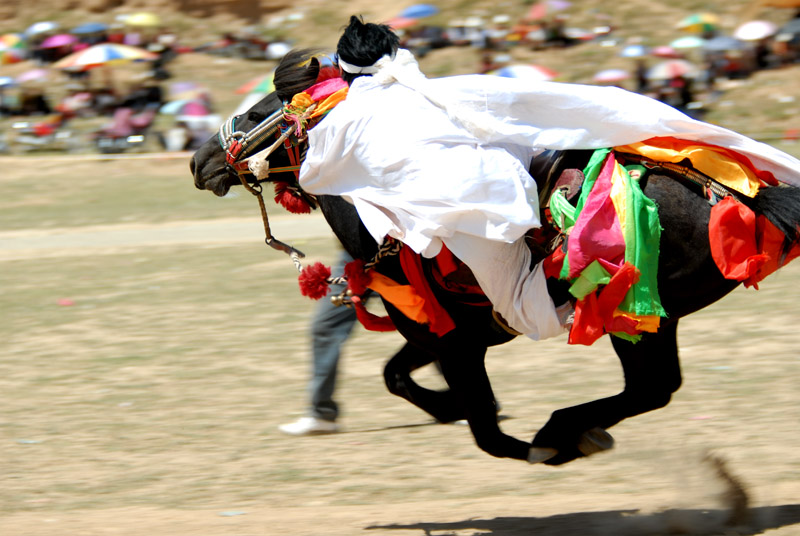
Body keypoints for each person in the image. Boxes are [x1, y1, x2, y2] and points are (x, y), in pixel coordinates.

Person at [297, 16, 800, 342]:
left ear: (347, 69)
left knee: (522, 316)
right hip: (514, 183)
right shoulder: (448, 89)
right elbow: (550, 104)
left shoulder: (347, 117)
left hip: (478, 215)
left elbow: (314, 174)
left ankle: (589, 290)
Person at [279, 249, 363, 435]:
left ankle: (321, 414)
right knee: (326, 327)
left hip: (399, 252)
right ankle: (322, 415)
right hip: (354, 255)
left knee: (426, 323)